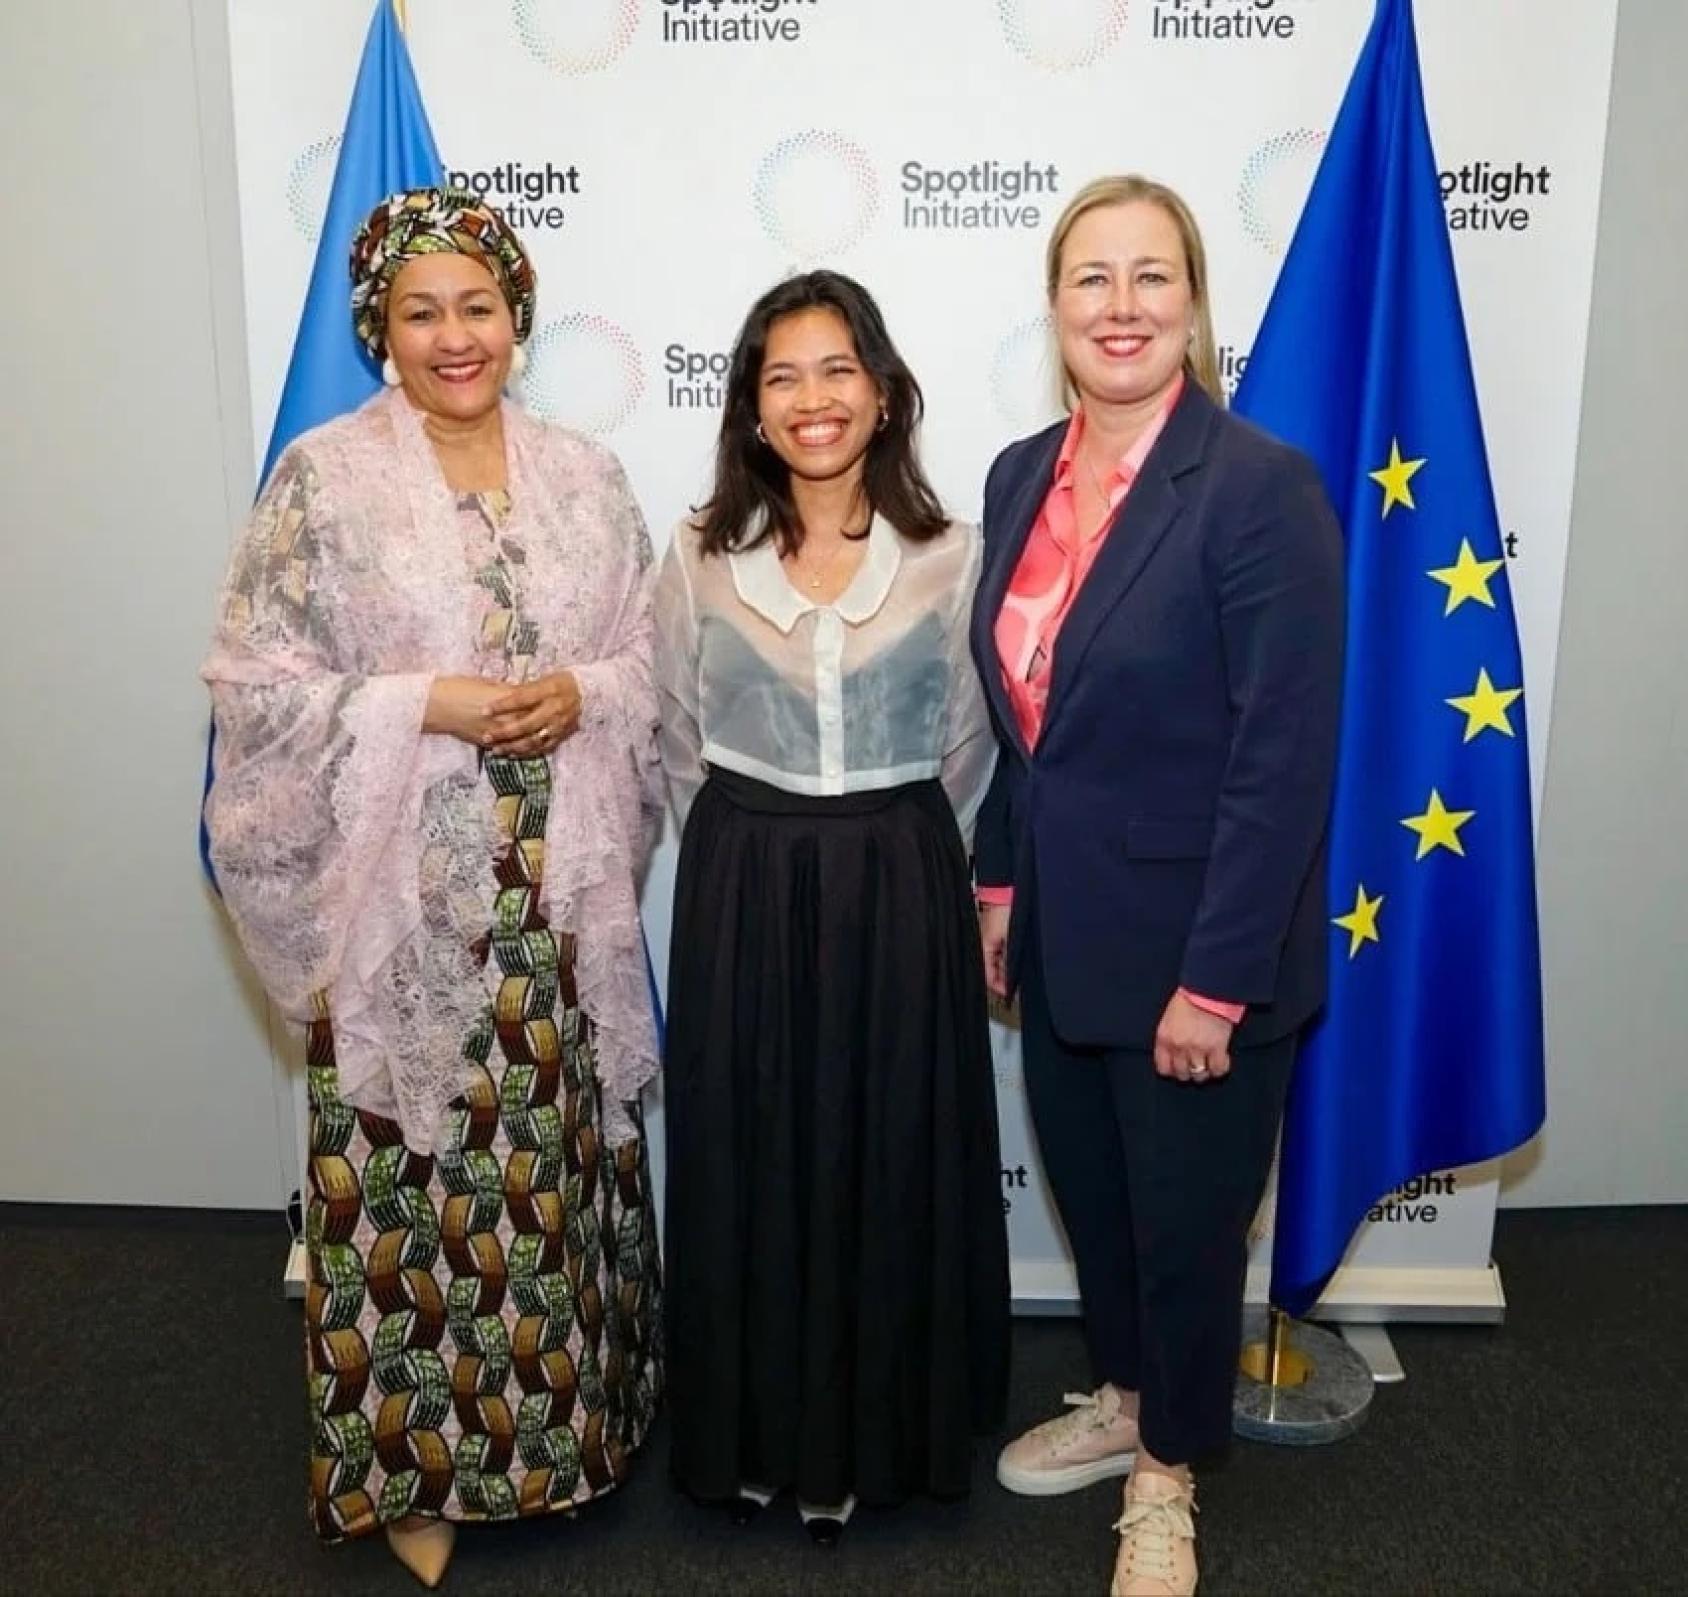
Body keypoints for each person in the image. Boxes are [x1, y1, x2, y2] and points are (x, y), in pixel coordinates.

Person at [202, 188, 664, 1589]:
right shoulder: (321, 483)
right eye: (420, 313)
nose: (452, 336)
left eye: (476, 306)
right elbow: (254, 686)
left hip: (553, 894)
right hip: (396, 895)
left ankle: (565, 1434)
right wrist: (432, 702)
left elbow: (653, 658)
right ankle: (413, 1468)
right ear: (379, 332)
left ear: (515, 317)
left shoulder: (586, 474)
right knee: (410, 1178)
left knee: (547, 1167)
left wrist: (579, 690)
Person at [972, 175, 1345, 1596]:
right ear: (1056, 307)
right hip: (1067, 935)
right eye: (1091, 280)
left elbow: (1281, 761)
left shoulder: (1258, 487)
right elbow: (1029, 725)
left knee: (1189, 1228)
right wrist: (1000, 887)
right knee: (1102, 1202)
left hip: (1203, 954)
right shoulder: (1020, 476)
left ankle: (1172, 1478)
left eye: (1150, 277)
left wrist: (1219, 980)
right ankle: (1127, 1401)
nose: (1120, 307)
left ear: (1193, 302)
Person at [653, 270, 1010, 1545]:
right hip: (743, 878)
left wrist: (912, 864)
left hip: (900, 876)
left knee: (887, 1145)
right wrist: (750, 863)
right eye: (782, 375)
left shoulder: (952, 554)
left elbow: (969, 746)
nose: (813, 399)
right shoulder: (695, 553)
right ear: (751, 406)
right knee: (753, 1144)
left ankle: (882, 1431)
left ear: (882, 391)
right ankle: (751, 1433)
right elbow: (677, 741)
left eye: (837, 369)